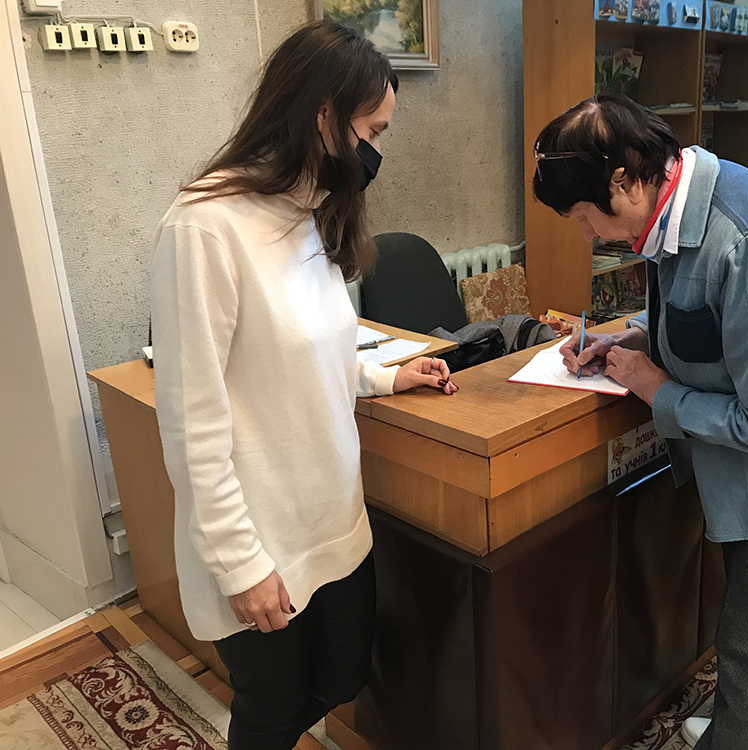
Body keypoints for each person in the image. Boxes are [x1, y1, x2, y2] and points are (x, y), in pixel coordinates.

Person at [532, 93, 748, 749]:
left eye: (584, 217)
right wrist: (634, 340)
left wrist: (657, 389)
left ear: (623, 181)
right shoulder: (671, 202)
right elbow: (705, 317)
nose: (588, 235)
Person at [150, 21, 457, 750]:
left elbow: (309, 353)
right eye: (372, 130)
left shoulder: (310, 212)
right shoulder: (204, 227)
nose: (379, 149)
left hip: (331, 516)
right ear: (323, 115)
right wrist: (239, 563)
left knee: (339, 682)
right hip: (261, 535)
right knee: (272, 714)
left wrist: (384, 375)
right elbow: (191, 422)